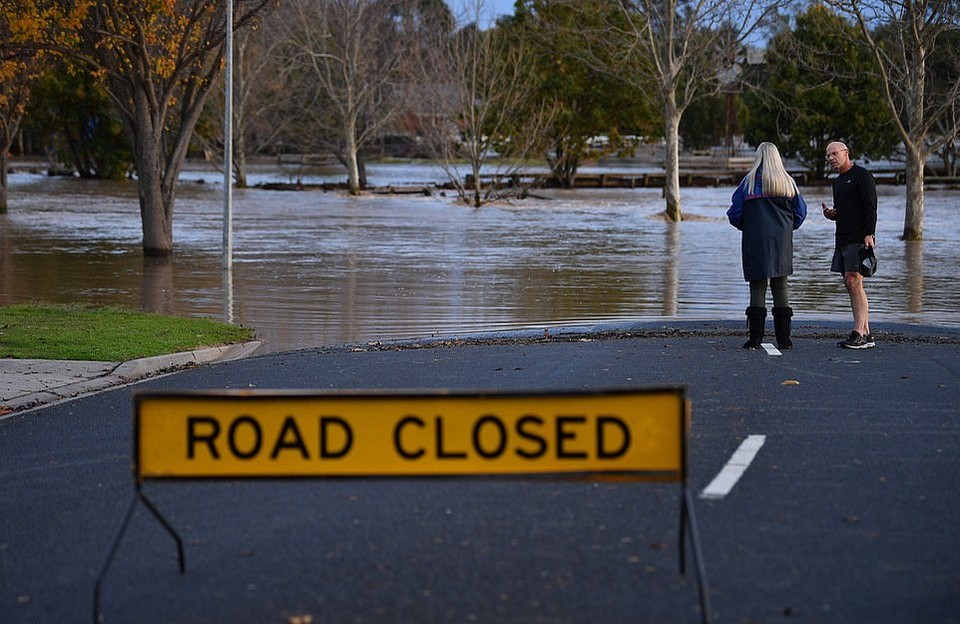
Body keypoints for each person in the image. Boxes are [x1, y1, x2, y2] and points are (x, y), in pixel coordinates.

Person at [727, 142, 807, 349]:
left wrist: (748, 226)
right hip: (781, 240)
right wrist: (788, 228)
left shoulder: (749, 183)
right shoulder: (788, 183)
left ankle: (755, 338)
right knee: (780, 285)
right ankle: (784, 339)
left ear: (758, 158)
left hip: (756, 239)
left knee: (757, 285)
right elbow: (800, 213)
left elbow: (734, 214)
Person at [821, 141, 877, 349]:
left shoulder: (862, 176)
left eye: (835, 153)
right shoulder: (838, 182)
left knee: (853, 282)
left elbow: (871, 206)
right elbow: (844, 211)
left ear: (846, 153)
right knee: (851, 283)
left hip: (860, 237)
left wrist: (870, 233)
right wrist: (832, 215)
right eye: (828, 156)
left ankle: (858, 332)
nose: (831, 158)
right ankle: (867, 333)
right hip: (843, 237)